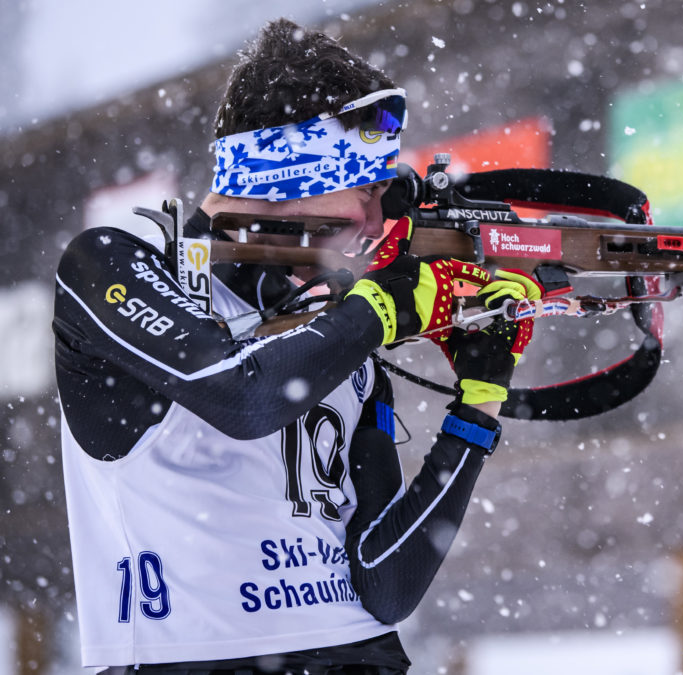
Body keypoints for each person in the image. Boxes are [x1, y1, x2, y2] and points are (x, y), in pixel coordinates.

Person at [53, 18, 540, 674]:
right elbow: (244, 395)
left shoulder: (339, 326)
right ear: (289, 171)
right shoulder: (111, 264)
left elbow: (386, 587)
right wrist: (383, 306)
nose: (376, 222)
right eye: (364, 189)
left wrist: (477, 404)